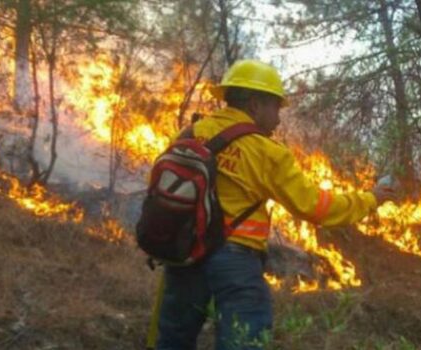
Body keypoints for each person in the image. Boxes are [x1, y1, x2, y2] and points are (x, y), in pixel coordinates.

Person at [155, 59, 396, 350]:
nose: (279, 119)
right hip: (234, 260)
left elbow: (158, 181)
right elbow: (314, 206)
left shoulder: (191, 134)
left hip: (185, 252)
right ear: (255, 104)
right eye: (276, 108)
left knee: (172, 339)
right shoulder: (267, 151)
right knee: (244, 341)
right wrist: (371, 199)